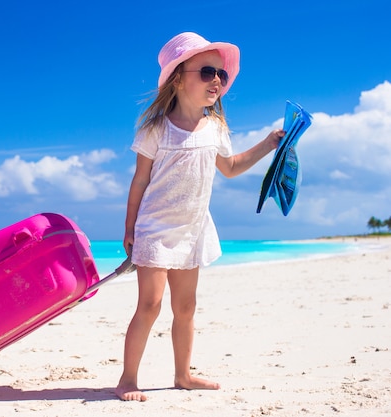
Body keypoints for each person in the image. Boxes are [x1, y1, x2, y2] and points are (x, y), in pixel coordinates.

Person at [115, 32, 285, 402]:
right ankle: (128, 379)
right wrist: (129, 228)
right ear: (178, 77)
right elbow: (140, 180)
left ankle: (183, 375)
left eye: (221, 76)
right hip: (155, 230)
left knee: (186, 307)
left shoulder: (215, 129)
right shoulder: (156, 129)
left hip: (192, 229)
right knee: (150, 304)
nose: (216, 81)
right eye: (207, 72)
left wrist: (269, 144)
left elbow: (232, 166)